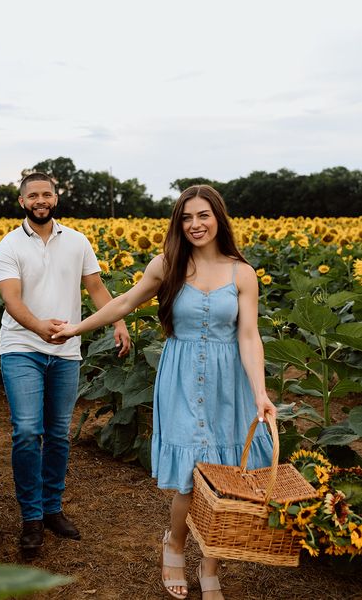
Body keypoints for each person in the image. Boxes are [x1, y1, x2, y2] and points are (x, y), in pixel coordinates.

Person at [53, 184, 277, 599]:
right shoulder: (166, 265)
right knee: (192, 478)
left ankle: (210, 566)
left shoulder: (241, 273)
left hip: (231, 383)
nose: (195, 224)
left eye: (203, 216)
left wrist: (260, 393)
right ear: (179, 223)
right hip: (181, 375)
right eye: (187, 217)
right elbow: (123, 303)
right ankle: (174, 544)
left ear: (218, 219)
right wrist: (75, 328)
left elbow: (249, 336)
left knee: (227, 477)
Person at [0, 172, 130, 558]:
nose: (41, 200)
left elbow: (97, 288)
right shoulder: (8, 246)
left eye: (47, 194)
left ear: (56, 197)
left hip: (66, 350)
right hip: (21, 347)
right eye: (33, 195)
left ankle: (52, 508)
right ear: (22, 201)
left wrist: (118, 321)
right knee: (25, 430)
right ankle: (31, 518)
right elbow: (12, 300)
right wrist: (39, 327)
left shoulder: (77, 241)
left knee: (56, 434)